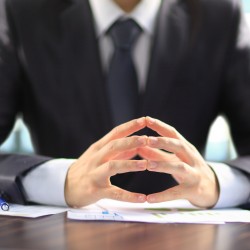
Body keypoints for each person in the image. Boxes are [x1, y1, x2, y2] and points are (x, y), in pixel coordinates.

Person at [0, 0, 250, 209]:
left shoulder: (221, 16)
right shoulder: (21, 12)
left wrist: (216, 183)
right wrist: (57, 181)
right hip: (59, 234)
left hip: (180, 236)